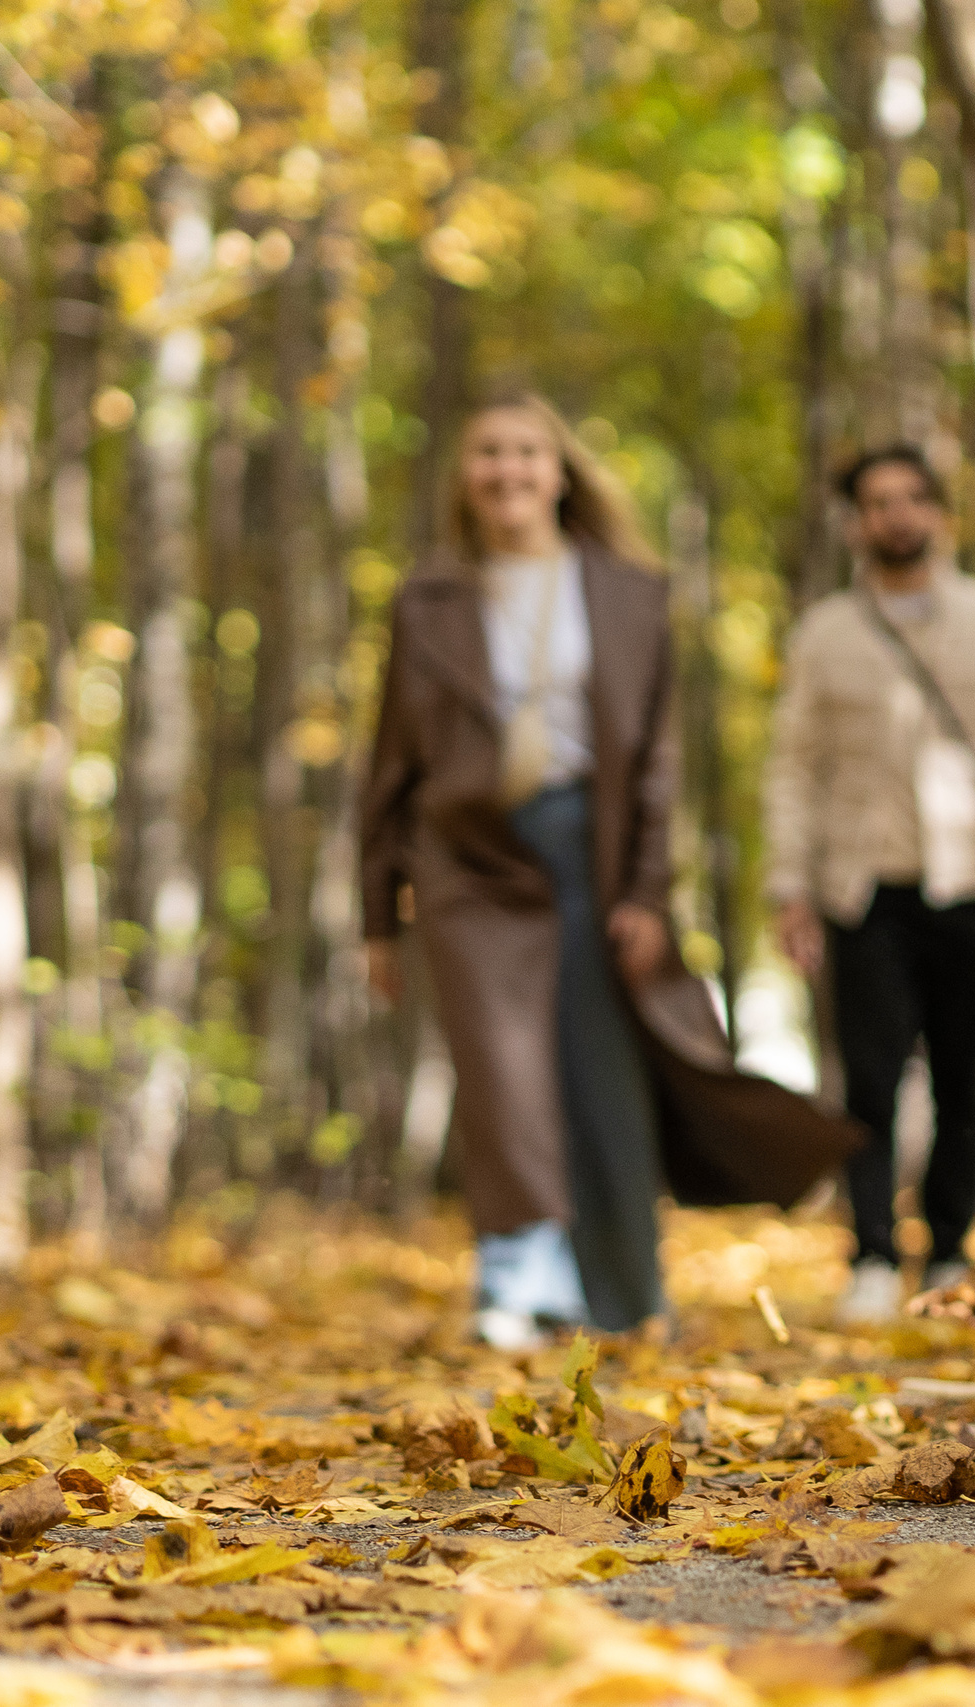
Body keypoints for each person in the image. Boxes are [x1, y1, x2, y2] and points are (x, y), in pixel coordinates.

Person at [359, 388, 687, 1350]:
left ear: (560, 470)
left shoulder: (629, 591)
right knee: (502, 1071)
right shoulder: (428, 600)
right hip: (469, 855)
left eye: (526, 453)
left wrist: (646, 890)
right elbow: (389, 766)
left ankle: (627, 1295)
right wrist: (379, 914)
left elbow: (659, 763)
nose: (508, 470)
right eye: (488, 453)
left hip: (593, 846)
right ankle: (518, 1281)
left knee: (600, 1072)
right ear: (466, 475)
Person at [765, 445, 975, 1325]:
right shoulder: (825, 632)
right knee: (867, 1082)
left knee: (963, 1082)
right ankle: (869, 1253)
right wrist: (789, 889)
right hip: (865, 893)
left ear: (939, 514)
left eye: (912, 499)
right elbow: (794, 770)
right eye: (877, 502)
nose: (896, 515)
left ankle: (946, 1250)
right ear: (855, 522)